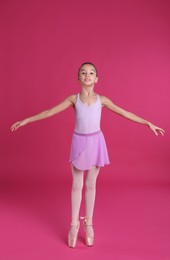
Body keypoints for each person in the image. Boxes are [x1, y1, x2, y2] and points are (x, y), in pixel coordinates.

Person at [11, 62, 165, 248]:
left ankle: (89, 223)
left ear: (97, 79)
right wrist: (26, 120)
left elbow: (125, 113)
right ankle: (74, 224)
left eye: (91, 72)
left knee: (91, 185)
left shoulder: (103, 100)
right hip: (79, 142)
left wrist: (148, 123)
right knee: (77, 185)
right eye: (83, 72)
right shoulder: (73, 99)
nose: (87, 75)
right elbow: (50, 112)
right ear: (78, 78)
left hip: (96, 142)